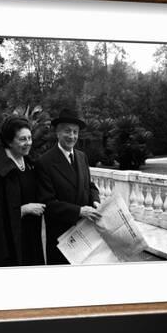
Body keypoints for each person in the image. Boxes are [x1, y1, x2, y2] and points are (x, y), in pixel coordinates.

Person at [0, 116, 46, 267]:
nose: (28, 143)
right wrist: (22, 210)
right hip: (8, 244)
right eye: (22, 139)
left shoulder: (29, 164)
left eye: (30, 138)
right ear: (9, 141)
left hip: (30, 237)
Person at [36, 109, 101, 265]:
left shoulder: (81, 156)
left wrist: (96, 200)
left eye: (75, 132)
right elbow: (48, 203)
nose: (72, 136)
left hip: (85, 233)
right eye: (67, 131)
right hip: (62, 238)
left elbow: (90, 185)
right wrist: (79, 211)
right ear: (57, 133)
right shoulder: (44, 162)